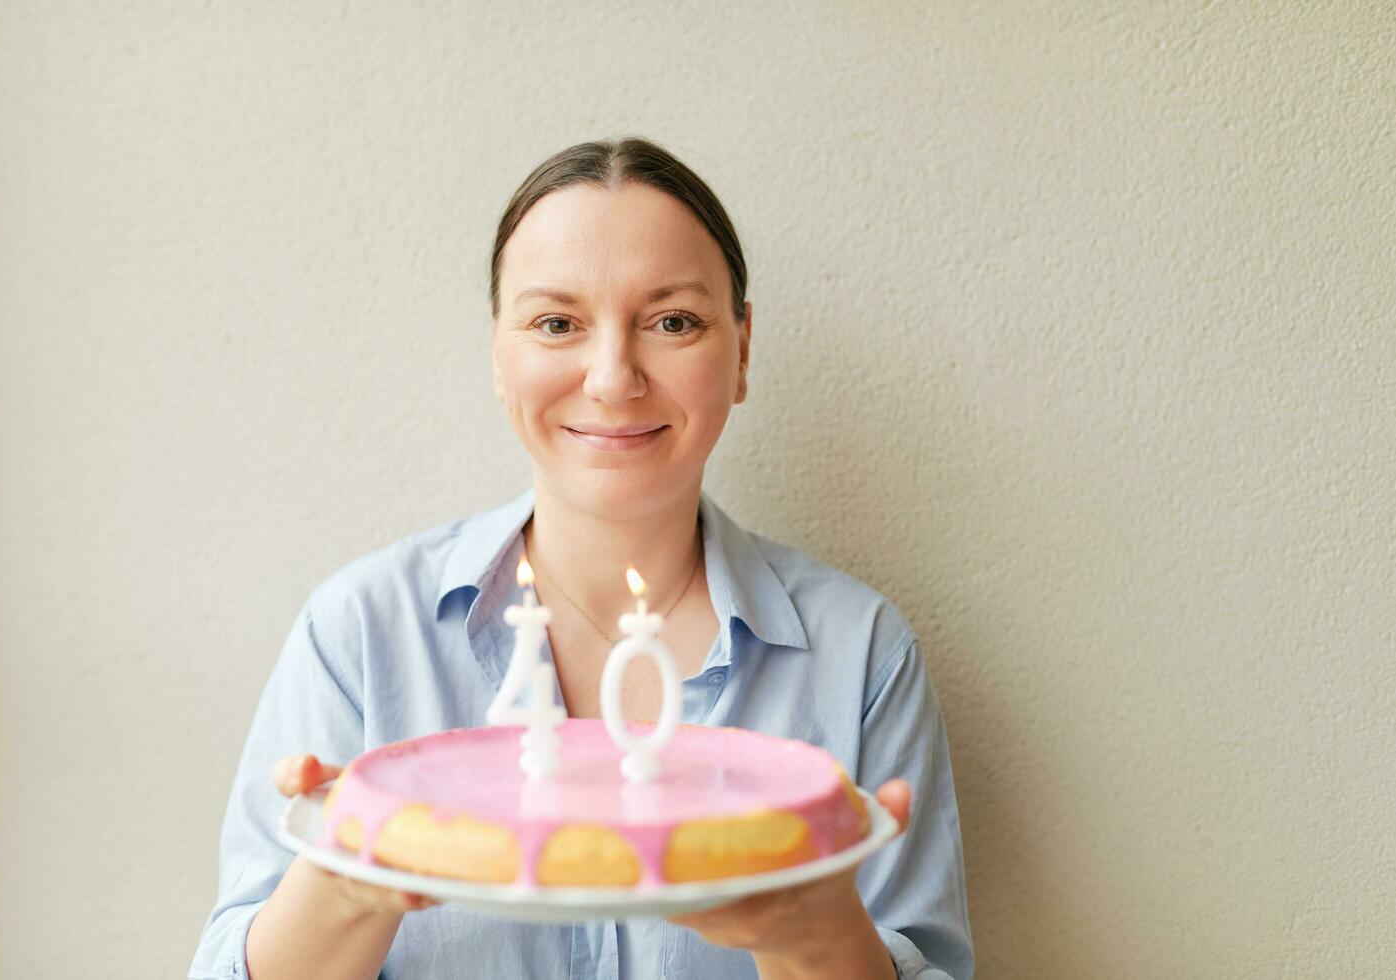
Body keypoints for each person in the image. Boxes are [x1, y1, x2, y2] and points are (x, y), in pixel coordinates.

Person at [189, 137, 973, 980]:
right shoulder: (360, 631)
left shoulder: (860, 652)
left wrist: (812, 935)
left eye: (672, 321)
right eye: (555, 323)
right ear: (499, 352)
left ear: (740, 352)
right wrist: (347, 884)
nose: (611, 378)